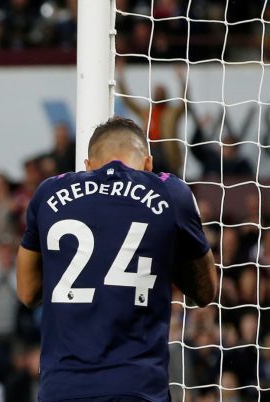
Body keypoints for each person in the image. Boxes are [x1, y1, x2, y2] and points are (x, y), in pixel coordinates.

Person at [16, 116, 217, 401]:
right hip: (137, 387)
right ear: (148, 164)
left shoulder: (48, 193)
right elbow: (206, 291)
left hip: (63, 387)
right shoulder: (171, 193)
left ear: (87, 166)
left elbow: (27, 293)